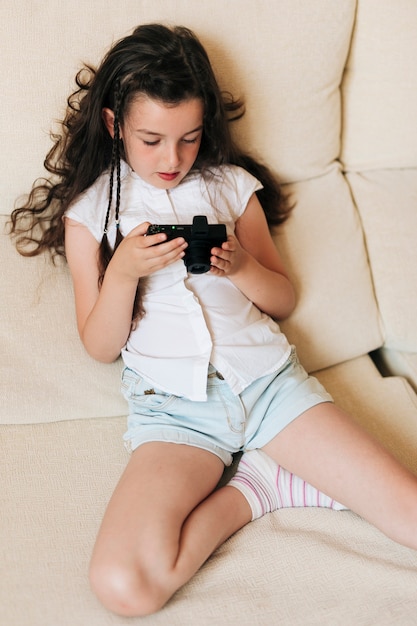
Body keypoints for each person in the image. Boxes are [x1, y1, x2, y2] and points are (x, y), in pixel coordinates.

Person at [9, 23, 417, 618]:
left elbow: (281, 298)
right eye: (151, 140)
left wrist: (241, 264)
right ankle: (261, 489)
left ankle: (277, 472)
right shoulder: (90, 214)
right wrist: (122, 272)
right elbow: (99, 345)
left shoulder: (229, 187)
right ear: (113, 123)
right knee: (126, 586)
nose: (171, 159)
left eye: (189, 139)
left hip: (271, 386)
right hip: (175, 410)